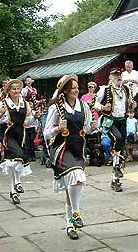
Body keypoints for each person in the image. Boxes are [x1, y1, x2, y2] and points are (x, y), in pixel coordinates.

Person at [44, 74, 96, 240]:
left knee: (73, 186)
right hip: (61, 149)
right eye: (72, 88)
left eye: (76, 87)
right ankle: (75, 212)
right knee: (76, 176)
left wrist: (93, 127)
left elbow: (87, 129)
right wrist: (57, 129)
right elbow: (45, 133)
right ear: (65, 90)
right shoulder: (56, 108)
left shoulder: (84, 106)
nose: (76, 90)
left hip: (78, 149)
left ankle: (69, 225)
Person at [0, 79, 40, 205]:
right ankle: (18, 183)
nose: (16, 91)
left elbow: (28, 122)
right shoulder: (3, 104)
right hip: (8, 135)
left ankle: (13, 191)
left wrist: (35, 117)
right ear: (9, 91)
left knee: (14, 162)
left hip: (21, 135)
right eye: (13, 89)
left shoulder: (25, 103)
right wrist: (1, 116)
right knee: (19, 156)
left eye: (18, 89)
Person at [94, 68, 132, 192]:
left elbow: (128, 104)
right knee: (117, 138)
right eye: (115, 75)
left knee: (120, 148)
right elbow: (94, 102)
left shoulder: (125, 89)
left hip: (122, 120)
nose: (118, 77)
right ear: (110, 77)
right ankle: (115, 166)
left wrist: (132, 105)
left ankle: (115, 179)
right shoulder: (105, 89)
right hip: (110, 121)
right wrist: (103, 107)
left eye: (119, 75)